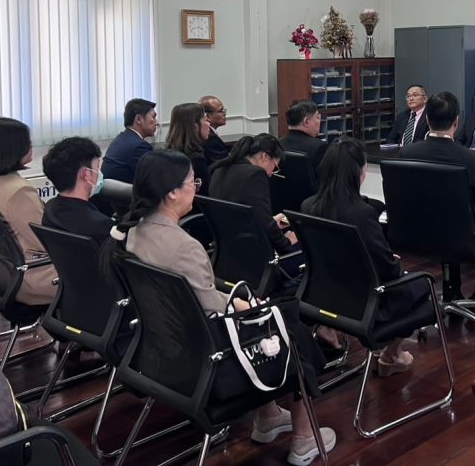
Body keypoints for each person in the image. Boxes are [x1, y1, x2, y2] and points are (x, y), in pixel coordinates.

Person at [106, 150, 335, 464]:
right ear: (172, 192)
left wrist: (237, 302)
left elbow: (195, 298)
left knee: (262, 312)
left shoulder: (132, 234)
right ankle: (304, 438)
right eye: (192, 182)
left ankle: (269, 416)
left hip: (160, 351)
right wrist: (245, 306)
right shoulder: (184, 246)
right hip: (207, 365)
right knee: (291, 330)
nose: (196, 187)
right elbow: (211, 311)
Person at [302, 139, 426, 376]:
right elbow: (389, 270)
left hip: (324, 297)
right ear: (358, 173)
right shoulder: (362, 213)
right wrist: (392, 262)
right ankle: (392, 354)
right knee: (422, 285)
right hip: (364, 304)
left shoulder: (308, 205)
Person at [400, 92, 475, 304]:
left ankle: (453, 291)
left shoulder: (407, 153)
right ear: (456, 122)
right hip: (461, 237)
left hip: (416, 234)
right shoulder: (471, 159)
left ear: (427, 120)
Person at [0, 117, 57, 305]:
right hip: (30, 278)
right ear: (13, 148)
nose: (31, 145)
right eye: (27, 141)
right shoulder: (19, 191)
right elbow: (47, 242)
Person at [210, 134, 298, 256]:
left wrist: (272, 222)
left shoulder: (220, 169)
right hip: (252, 252)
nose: (271, 174)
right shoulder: (255, 174)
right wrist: (287, 242)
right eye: (275, 167)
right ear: (264, 156)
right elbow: (266, 224)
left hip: (226, 250)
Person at [41, 137, 114, 246]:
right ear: (86, 174)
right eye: (97, 167)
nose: (99, 172)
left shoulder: (50, 209)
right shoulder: (101, 225)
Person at [101, 98, 158, 184]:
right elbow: (156, 179)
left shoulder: (121, 139)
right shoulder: (139, 146)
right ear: (138, 119)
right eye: (153, 117)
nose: (157, 123)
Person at [165, 102, 213, 195]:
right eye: (205, 120)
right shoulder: (196, 160)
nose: (209, 124)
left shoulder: (167, 154)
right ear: (195, 126)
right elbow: (206, 195)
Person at [280, 100, 329, 171]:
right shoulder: (320, 147)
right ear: (306, 121)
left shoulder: (277, 144)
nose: (319, 121)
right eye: (317, 117)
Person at [199, 95, 231, 163]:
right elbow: (222, 163)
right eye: (220, 111)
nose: (224, 114)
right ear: (207, 116)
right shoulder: (210, 138)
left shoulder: (208, 133)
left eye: (224, 110)